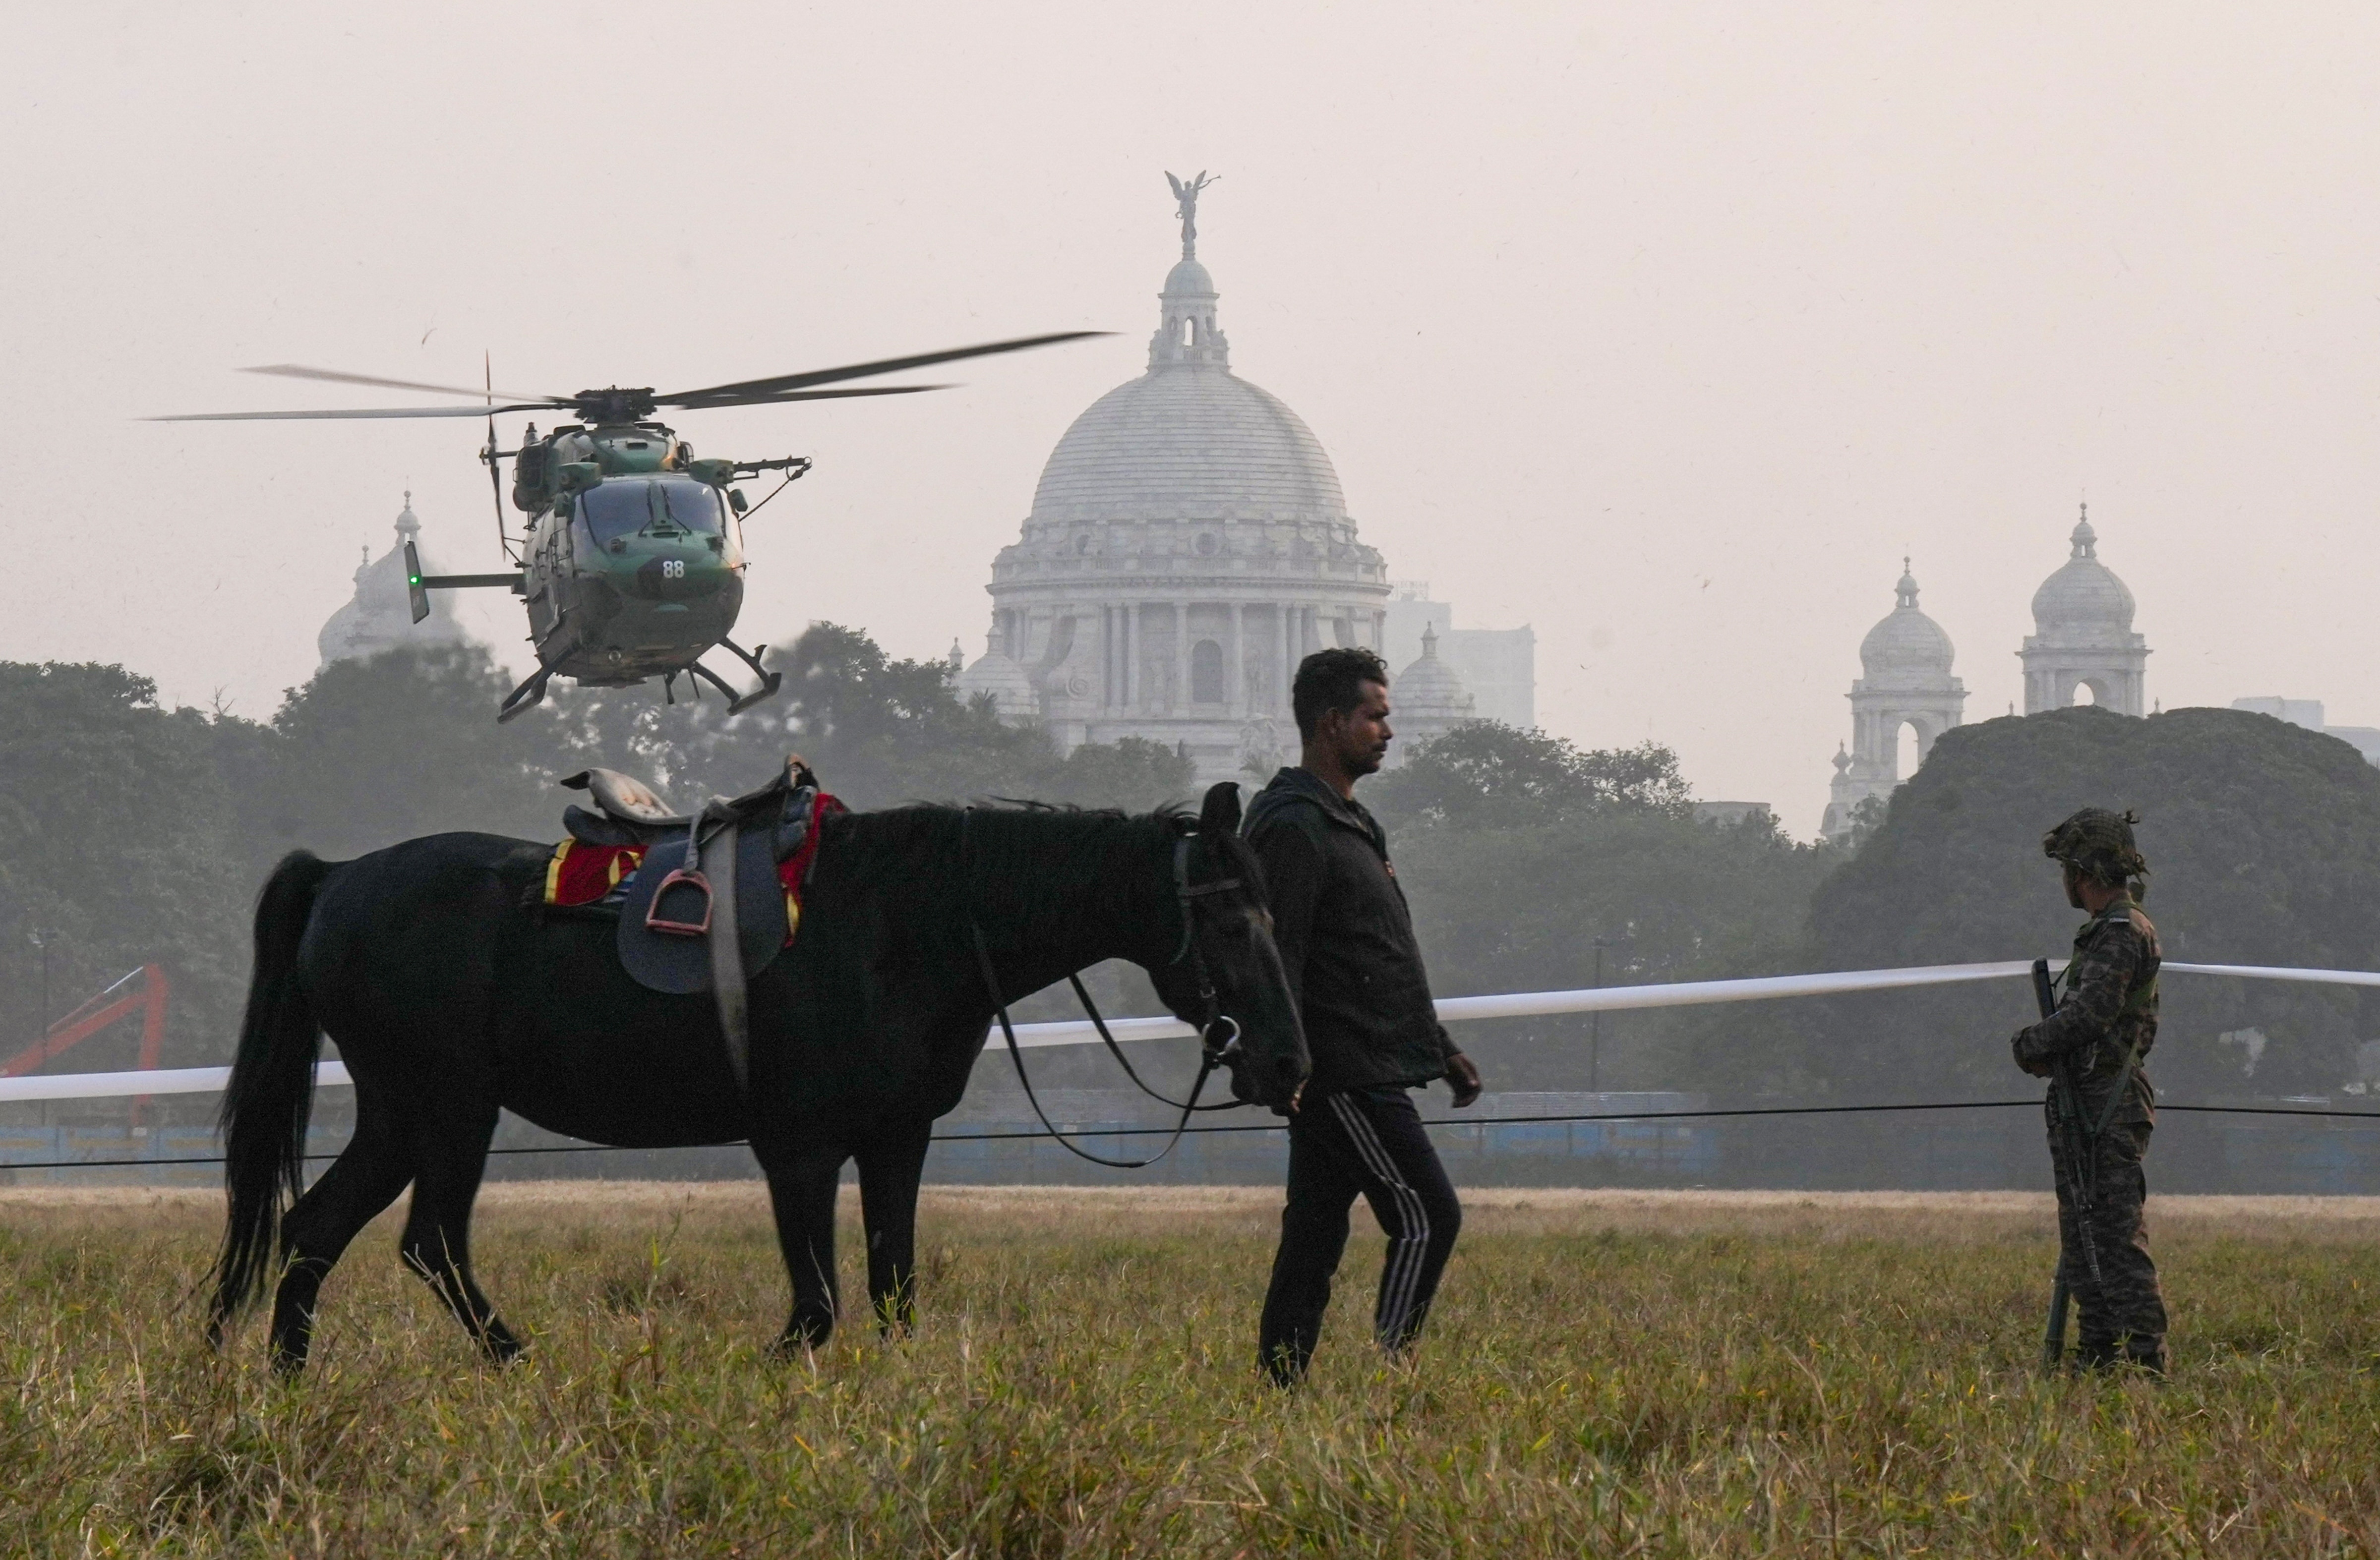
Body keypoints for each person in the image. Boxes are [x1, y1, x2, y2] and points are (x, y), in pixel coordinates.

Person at [1245, 646, 1483, 1387]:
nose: (1388, 730)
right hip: (1343, 1069)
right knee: (1427, 1215)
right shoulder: (1294, 827)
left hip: (1373, 1056)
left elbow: (1379, 955)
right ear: (1330, 723)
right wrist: (1287, 1061)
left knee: (1314, 1233)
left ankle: (1279, 1386)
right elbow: (1278, 956)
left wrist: (1438, 1046)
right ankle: (1393, 1369)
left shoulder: (1348, 820)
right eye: (1375, 715)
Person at [2010, 806, 2169, 1374]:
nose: (2066, 882)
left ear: (2085, 871)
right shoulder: (2106, 932)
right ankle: (2100, 1354)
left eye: (2069, 869)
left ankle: (2145, 1363)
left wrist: (2031, 1042)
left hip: (2110, 1103)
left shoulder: (2122, 932)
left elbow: (2091, 1016)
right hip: (2089, 1099)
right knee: (2084, 1240)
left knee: (2115, 1240)